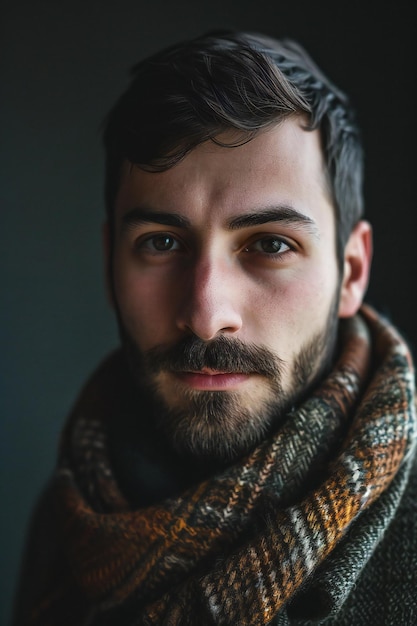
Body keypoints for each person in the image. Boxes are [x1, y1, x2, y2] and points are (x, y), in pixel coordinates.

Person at [12, 30, 417, 626]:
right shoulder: (69, 516)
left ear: (351, 273)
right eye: (162, 243)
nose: (206, 313)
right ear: (109, 263)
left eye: (271, 244)